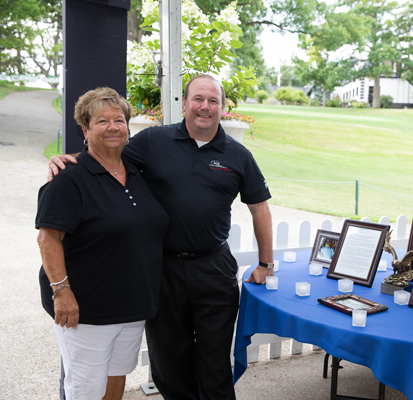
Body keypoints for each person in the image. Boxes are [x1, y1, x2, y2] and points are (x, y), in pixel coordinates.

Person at [49, 74, 274, 400]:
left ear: (223, 108)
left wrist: (265, 262)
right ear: (184, 103)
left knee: (214, 364)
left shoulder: (238, 156)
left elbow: (260, 210)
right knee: (169, 362)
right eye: (198, 98)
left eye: (213, 101)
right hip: (161, 270)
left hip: (213, 269)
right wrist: (67, 161)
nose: (204, 107)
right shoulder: (153, 141)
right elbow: (106, 154)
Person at [37, 87, 169, 400]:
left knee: (116, 377)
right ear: (85, 130)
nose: (112, 127)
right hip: (85, 310)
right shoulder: (69, 178)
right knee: (85, 389)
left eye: (119, 120)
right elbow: (47, 238)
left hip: (132, 305)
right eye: (102, 121)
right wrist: (62, 292)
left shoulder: (137, 172)